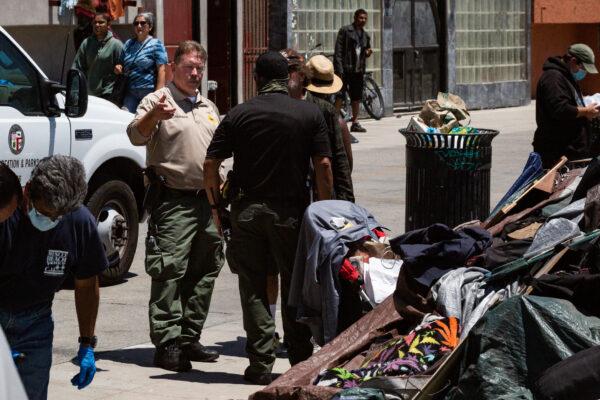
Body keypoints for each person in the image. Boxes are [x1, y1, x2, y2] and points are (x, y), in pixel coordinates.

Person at [203, 51, 333, 385]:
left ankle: (260, 364)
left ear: (257, 79)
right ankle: (300, 361)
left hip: (246, 213)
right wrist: (326, 211)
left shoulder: (238, 114)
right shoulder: (308, 113)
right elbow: (324, 166)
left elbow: (210, 164)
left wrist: (217, 209)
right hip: (291, 215)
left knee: (254, 287)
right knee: (294, 286)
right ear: (289, 77)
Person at [126, 40, 224, 372]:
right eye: (189, 67)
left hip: (207, 203)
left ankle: (188, 337)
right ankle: (167, 343)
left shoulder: (209, 106)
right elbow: (135, 135)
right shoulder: (156, 100)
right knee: (169, 272)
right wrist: (155, 114)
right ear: (174, 66)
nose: (195, 73)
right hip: (173, 202)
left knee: (206, 270)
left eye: (200, 68)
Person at [0, 155, 107, 400]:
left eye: (57, 217)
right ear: (28, 192)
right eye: (43, 212)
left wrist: (87, 343)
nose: (50, 220)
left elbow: (87, 285)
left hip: (36, 324)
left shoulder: (79, 222)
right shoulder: (5, 213)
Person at [280, 49, 355, 202]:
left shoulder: (328, 112)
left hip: (317, 197)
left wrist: (346, 204)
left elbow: (341, 165)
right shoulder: (275, 106)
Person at [533, 43, 600, 168]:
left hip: (571, 151)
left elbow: (568, 101)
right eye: (583, 68)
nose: (584, 72)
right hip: (558, 152)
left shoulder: (566, 76)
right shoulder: (553, 78)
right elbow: (560, 108)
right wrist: (586, 111)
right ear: (573, 61)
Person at [114, 12, 168, 113]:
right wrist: (118, 67)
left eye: (143, 23)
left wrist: (158, 94)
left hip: (148, 92)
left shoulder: (156, 44)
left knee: (145, 121)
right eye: (136, 23)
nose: (139, 26)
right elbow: (120, 63)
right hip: (130, 92)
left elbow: (162, 69)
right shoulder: (128, 44)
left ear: (150, 27)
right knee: (125, 117)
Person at [334, 8, 372, 133]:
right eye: (361, 18)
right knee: (340, 94)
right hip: (345, 69)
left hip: (358, 71)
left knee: (356, 97)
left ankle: (355, 123)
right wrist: (339, 69)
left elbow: (365, 51)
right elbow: (338, 51)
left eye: (365, 18)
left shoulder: (365, 35)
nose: (363, 20)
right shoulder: (345, 31)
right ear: (355, 18)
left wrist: (367, 52)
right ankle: (334, 122)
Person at [72, 12, 124, 100]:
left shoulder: (116, 44)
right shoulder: (86, 43)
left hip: (108, 93)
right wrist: (74, 91)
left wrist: (120, 69)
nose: (97, 25)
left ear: (108, 25)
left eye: (101, 22)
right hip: (89, 94)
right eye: (95, 22)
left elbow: (124, 67)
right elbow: (77, 67)